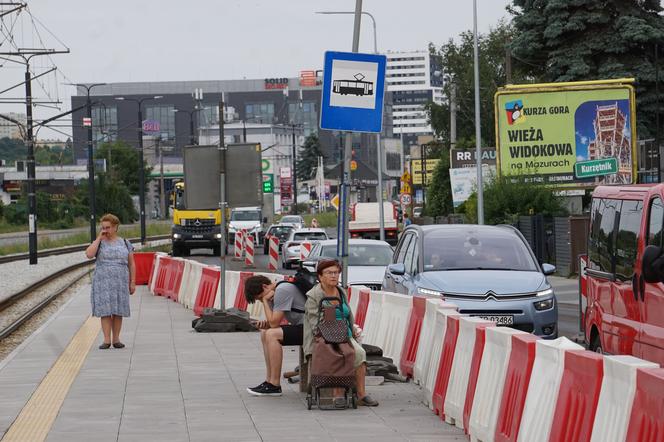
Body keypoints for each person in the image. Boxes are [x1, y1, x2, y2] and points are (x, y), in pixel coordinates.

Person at [303, 259, 379, 407]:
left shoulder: (341, 291)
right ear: (320, 276)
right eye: (329, 273)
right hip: (324, 337)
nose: (333, 276)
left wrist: (352, 329)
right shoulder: (314, 295)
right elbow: (315, 324)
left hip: (345, 335)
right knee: (339, 354)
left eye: (336, 272)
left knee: (360, 353)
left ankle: (361, 394)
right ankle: (338, 395)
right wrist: (332, 319)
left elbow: (346, 314)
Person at [244, 275, 307, 396]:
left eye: (260, 298)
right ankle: (269, 381)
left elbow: (274, 323)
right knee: (265, 332)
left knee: (272, 334)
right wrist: (265, 324)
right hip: (303, 327)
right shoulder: (277, 290)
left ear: (264, 286)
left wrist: (265, 302)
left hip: (312, 329)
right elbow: (273, 321)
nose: (262, 300)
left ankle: (275, 385)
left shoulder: (282, 290)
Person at [85, 213, 135, 349]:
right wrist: (98, 239)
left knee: (118, 310)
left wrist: (132, 282)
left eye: (107, 227)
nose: (105, 230)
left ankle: (116, 339)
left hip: (120, 281)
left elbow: (131, 264)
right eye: (103, 227)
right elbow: (89, 254)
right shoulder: (100, 242)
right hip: (103, 282)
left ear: (115, 227)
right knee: (106, 310)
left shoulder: (125, 242)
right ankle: (106, 340)